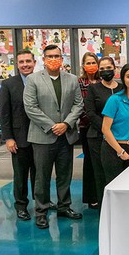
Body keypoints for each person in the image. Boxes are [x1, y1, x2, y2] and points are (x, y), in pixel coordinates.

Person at [23, 44, 84, 229]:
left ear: (62, 58)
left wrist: (66, 124)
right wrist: (52, 126)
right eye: (49, 56)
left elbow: (78, 105)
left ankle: (64, 206)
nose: (53, 59)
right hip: (42, 137)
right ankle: (41, 211)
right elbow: (30, 107)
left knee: (65, 175)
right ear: (43, 59)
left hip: (66, 136)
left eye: (57, 56)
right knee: (42, 177)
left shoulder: (72, 79)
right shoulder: (33, 79)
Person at [0, 50, 36, 221]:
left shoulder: (41, 81)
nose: (25, 64)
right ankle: (21, 205)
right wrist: (9, 138)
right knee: (20, 174)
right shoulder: (8, 84)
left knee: (40, 173)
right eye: (21, 62)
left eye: (28, 61)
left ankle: (42, 201)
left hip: (40, 138)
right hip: (19, 139)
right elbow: (4, 114)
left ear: (34, 62)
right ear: (17, 64)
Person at [84, 56, 123, 207]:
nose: (106, 71)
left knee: (118, 172)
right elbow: (90, 112)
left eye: (108, 68)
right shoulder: (93, 89)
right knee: (100, 173)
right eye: (102, 69)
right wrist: (106, 129)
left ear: (115, 69)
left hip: (120, 137)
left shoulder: (121, 89)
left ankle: (119, 205)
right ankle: (104, 206)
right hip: (97, 137)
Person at [77, 52, 100, 209]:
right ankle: (91, 196)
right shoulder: (78, 83)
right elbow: (79, 105)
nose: (91, 65)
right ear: (83, 65)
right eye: (88, 62)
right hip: (87, 127)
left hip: (104, 128)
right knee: (90, 162)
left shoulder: (102, 81)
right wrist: (92, 119)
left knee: (101, 162)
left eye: (93, 62)